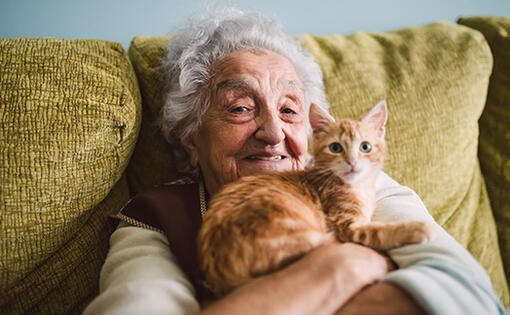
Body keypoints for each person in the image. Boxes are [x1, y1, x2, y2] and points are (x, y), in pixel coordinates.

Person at [84, 7, 506, 315]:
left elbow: (468, 295)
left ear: (313, 131)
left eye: (290, 111)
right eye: (240, 108)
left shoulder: (358, 180)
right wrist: (342, 265)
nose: (273, 134)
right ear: (190, 138)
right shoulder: (152, 218)